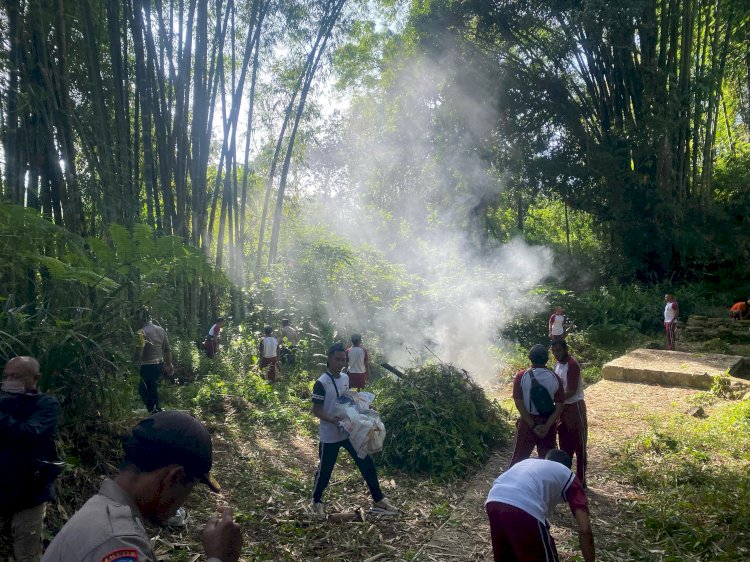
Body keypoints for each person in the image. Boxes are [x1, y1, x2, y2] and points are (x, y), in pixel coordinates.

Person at [42, 410, 242, 562]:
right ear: (174, 478)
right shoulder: (118, 542)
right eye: (190, 489)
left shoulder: (101, 511)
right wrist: (218, 558)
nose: (183, 503)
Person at [310, 342, 397, 516]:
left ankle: (378, 500)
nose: (340, 363)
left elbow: (348, 400)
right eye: (337, 359)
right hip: (330, 436)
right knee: (325, 471)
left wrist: (365, 410)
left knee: (366, 463)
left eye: (343, 360)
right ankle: (316, 502)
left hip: (349, 432)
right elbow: (316, 410)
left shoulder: (345, 378)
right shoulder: (321, 383)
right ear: (329, 358)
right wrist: (333, 420)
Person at [0, 356, 61, 562]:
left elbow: (30, 433)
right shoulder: (4, 402)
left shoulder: (46, 405)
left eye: (16, 377)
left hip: (29, 494)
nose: (9, 381)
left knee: (26, 554)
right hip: (3, 488)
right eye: (6, 376)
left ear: (35, 378)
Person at [485, 449, 595, 562]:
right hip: (523, 507)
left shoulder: (527, 463)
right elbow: (585, 529)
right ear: (567, 467)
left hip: (494, 499)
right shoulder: (568, 475)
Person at [508, 344, 565, 468]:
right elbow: (560, 405)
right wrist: (547, 426)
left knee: (519, 459)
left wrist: (533, 425)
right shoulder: (555, 378)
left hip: (527, 422)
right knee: (547, 462)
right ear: (547, 359)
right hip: (547, 421)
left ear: (530, 358)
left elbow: (519, 403)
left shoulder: (521, 376)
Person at [551, 339, 588, 488]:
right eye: (553, 351)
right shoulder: (557, 365)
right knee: (564, 444)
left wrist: (554, 399)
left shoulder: (572, 365)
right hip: (562, 408)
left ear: (565, 349)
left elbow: (571, 390)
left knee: (579, 445)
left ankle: (581, 481)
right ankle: (565, 478)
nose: (556, 354)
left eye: (558, 350)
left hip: (574, 406)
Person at [133, 311, 173, 414]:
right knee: (152, 387)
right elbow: (167, 349)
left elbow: (139, 352)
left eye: (136, 319)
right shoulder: (161, 330)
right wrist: (169, 364)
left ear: (141, 319)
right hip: (159, 364)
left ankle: (154, 411)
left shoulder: (141, 332)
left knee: (144, 389)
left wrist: (135, 363)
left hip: (147, 365)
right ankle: (154, 410)